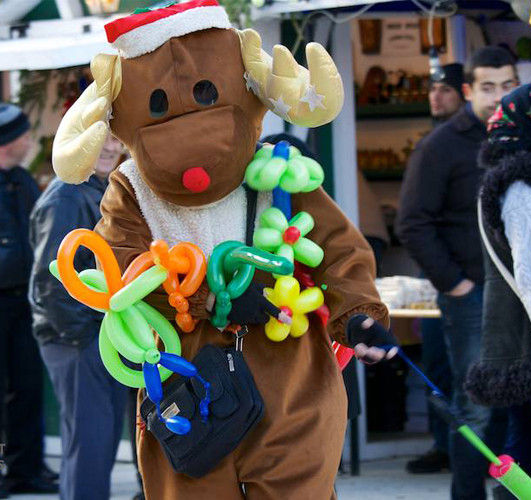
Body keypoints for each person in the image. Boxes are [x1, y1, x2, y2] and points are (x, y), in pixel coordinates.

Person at [50, 3, 397, 498]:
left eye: (208, 96)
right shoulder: (130, 189)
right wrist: (207, 298)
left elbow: (338, 247)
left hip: (289, 375)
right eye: (157, 108)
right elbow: (121, 267)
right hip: (187, 382)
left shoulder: (278, 171)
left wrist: (358, 314)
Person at [396, 47, 519, 499]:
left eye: (508, 85)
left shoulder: (524, 137)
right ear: (468, 91)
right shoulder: (440, 145)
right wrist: (456, 284)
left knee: (522, 402)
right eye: (488, 87)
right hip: (473, 295)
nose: (499, 96)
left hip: (523, 293)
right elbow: (412, 223)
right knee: (476, 408)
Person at [29, 134, 127, 500]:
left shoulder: (100, 189)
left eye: (115, 138)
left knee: (97, 443)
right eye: (100, 138)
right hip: (76, 339)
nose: (109, 147)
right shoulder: (66, 196)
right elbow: (50, 280)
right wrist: (84, 337)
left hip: (97, 336)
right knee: (89, 445)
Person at [465, 82, 531, 499]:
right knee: (527, 454)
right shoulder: (521, 187)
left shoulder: (518, 180)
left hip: (525, 351)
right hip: (530, 349)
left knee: (525, 450)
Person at [404, 63, 465, 474]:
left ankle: (471, 453)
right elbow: (414, 220)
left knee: (470, 370)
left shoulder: (475, 142)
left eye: (445, 89)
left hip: (472, 275)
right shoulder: (433, 144)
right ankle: (444, 446)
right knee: (438, 364)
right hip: (440, 275)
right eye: (432, 89)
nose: (435, 96)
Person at [0, 103, 58, 498]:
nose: (30, 142)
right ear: (9, 141)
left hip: (25, 302)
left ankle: (26, 468)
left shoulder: (22, 180)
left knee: (27, 387)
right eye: (24, 135)